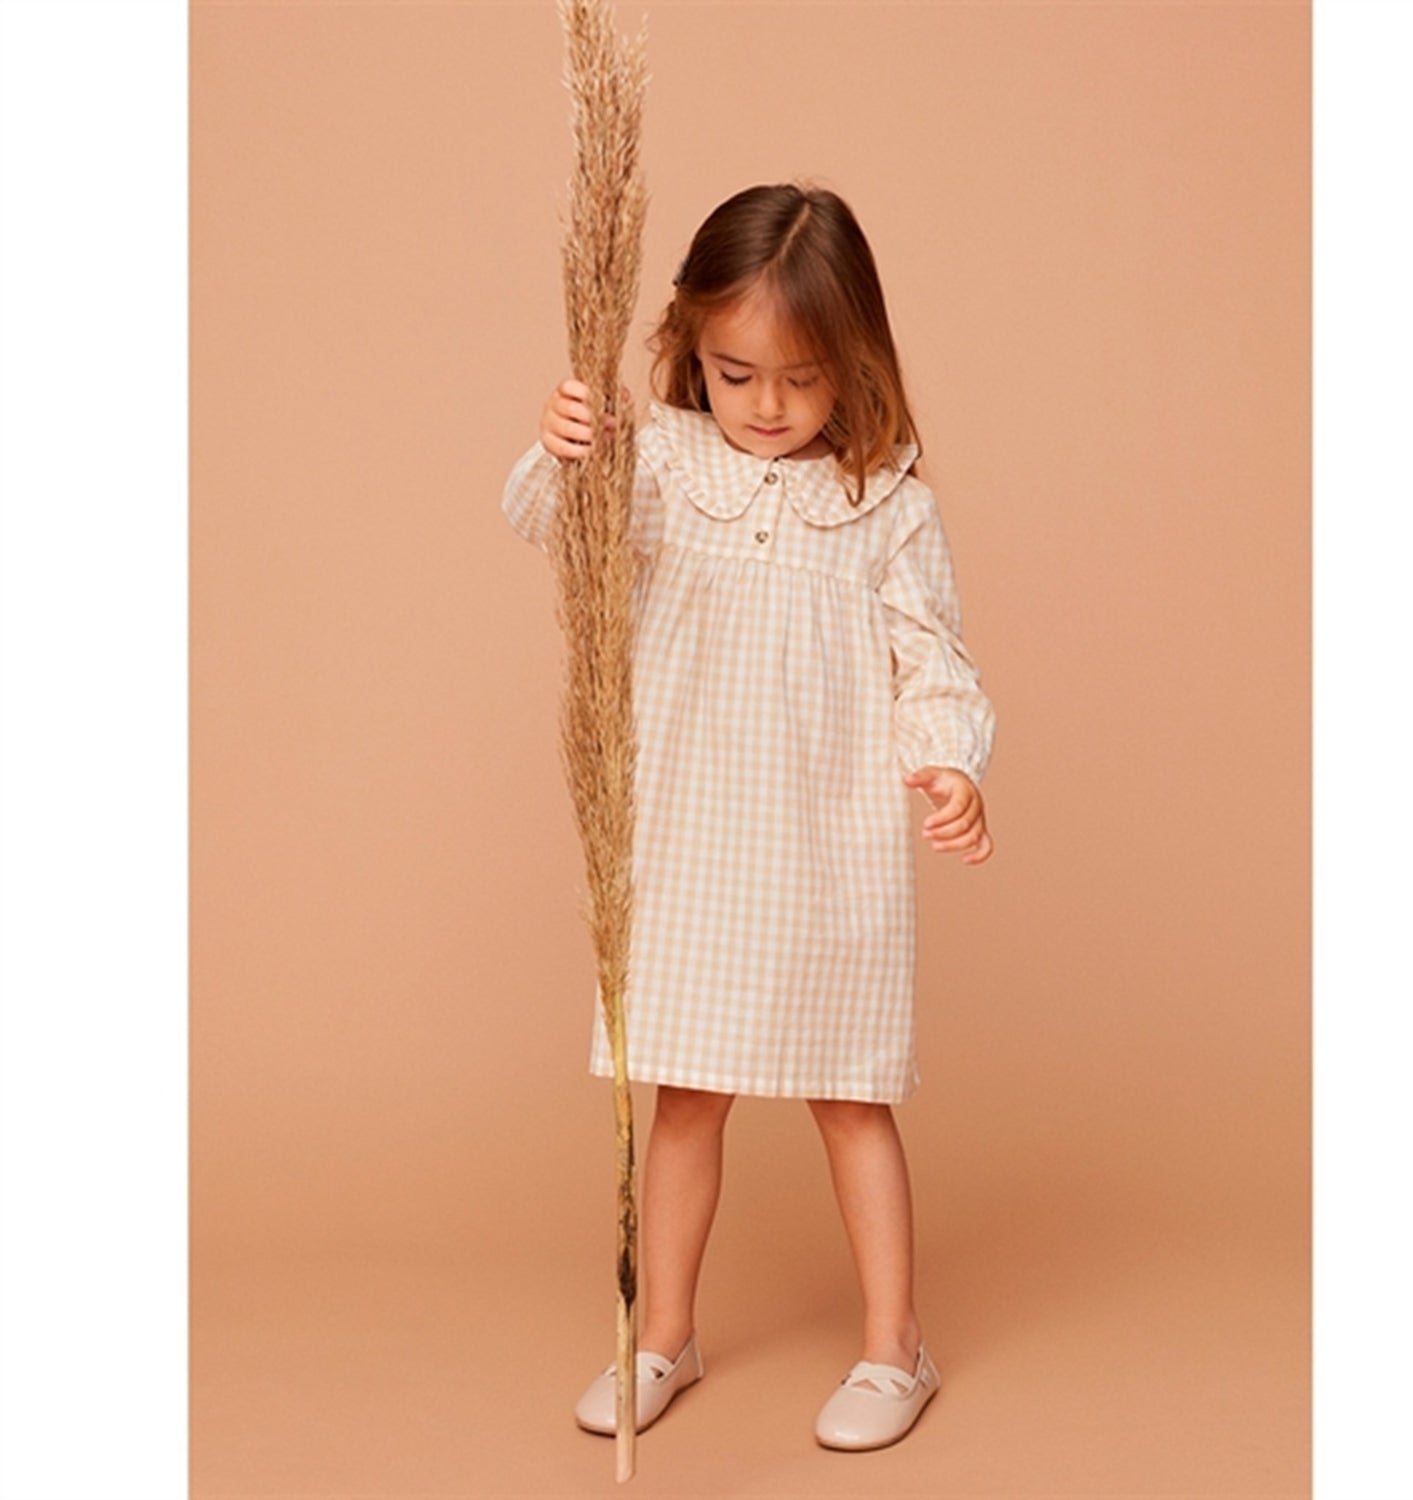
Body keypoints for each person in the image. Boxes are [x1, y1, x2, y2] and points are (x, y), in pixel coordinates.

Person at [501, 182, 996, 1452]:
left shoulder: (885, 501)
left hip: (831, 853)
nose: (767, 405)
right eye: (735, 375)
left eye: (803, 378)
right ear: (689, 347)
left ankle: (894, 1346)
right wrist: (564, 447)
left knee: (851, 1099)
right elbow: (554, 529)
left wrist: (950, 768)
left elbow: (933, 661)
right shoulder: (663, 464)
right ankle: (661, 1332)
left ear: (856, 362)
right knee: (686, 1097)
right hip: (689, 842)